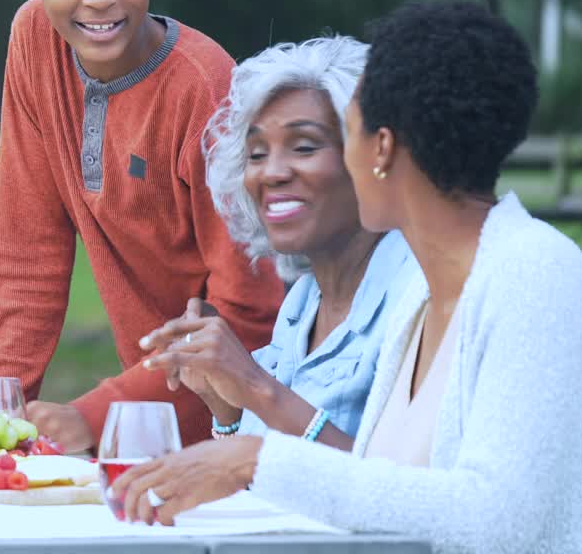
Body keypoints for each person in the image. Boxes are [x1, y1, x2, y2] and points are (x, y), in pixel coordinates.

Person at [113, 1, 582, 553]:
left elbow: (501, 518)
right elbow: (383, 497)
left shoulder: (533, 271)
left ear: (381, 148)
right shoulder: (423, 297)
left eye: (341, 134)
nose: (276, 171)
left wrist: (259, 459)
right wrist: (234, 424)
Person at [0, 0, 283, 450]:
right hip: (143, 409)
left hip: (242, 409)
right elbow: (27, 247)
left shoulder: (206, 86)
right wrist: (4, 409)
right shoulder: (34, 40)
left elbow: (249, 306)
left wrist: (96, 414)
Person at [138, 36, 425, 450]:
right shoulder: (303, 302)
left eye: (304, 147)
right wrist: (226, 406)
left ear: (373, 156)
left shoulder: (417, 298)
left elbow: (397, 491)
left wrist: (257, 388)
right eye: (256, 153)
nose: (271, 173)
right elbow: (272, 470)